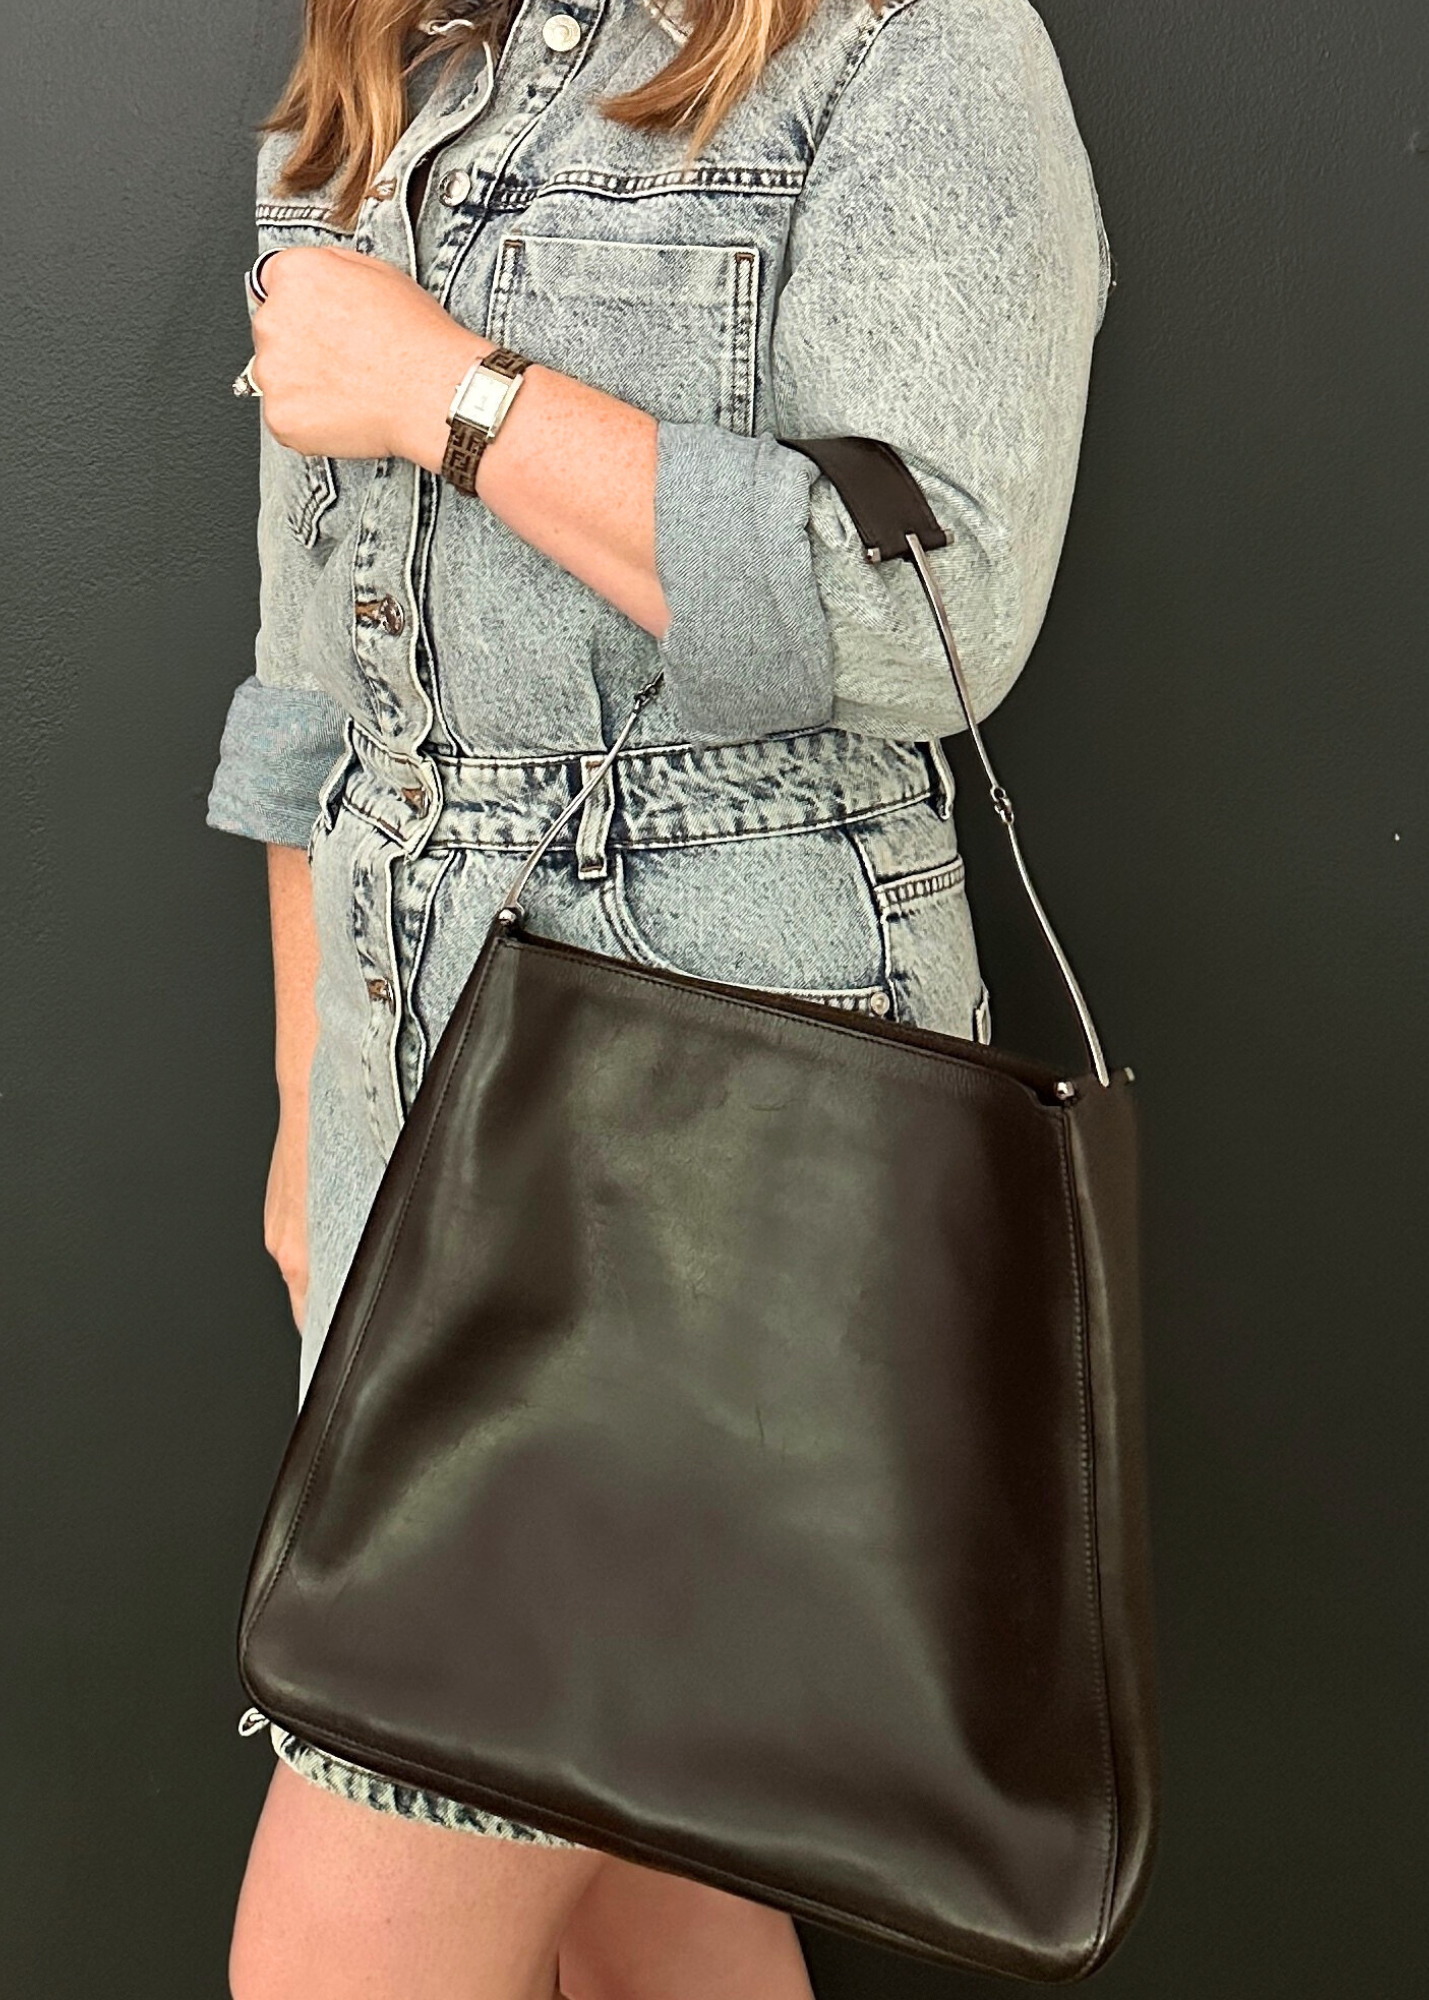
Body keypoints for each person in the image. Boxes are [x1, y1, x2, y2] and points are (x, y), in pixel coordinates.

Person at [209, 0, 1112, 1991]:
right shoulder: (388, 71)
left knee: (353, 1941)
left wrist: (451, 389)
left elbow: (927, 602)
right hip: (403, 1080)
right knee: (649, 1879)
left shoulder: (915, 49)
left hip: (718, 1096)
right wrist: (307, 1118)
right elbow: (305, 697)